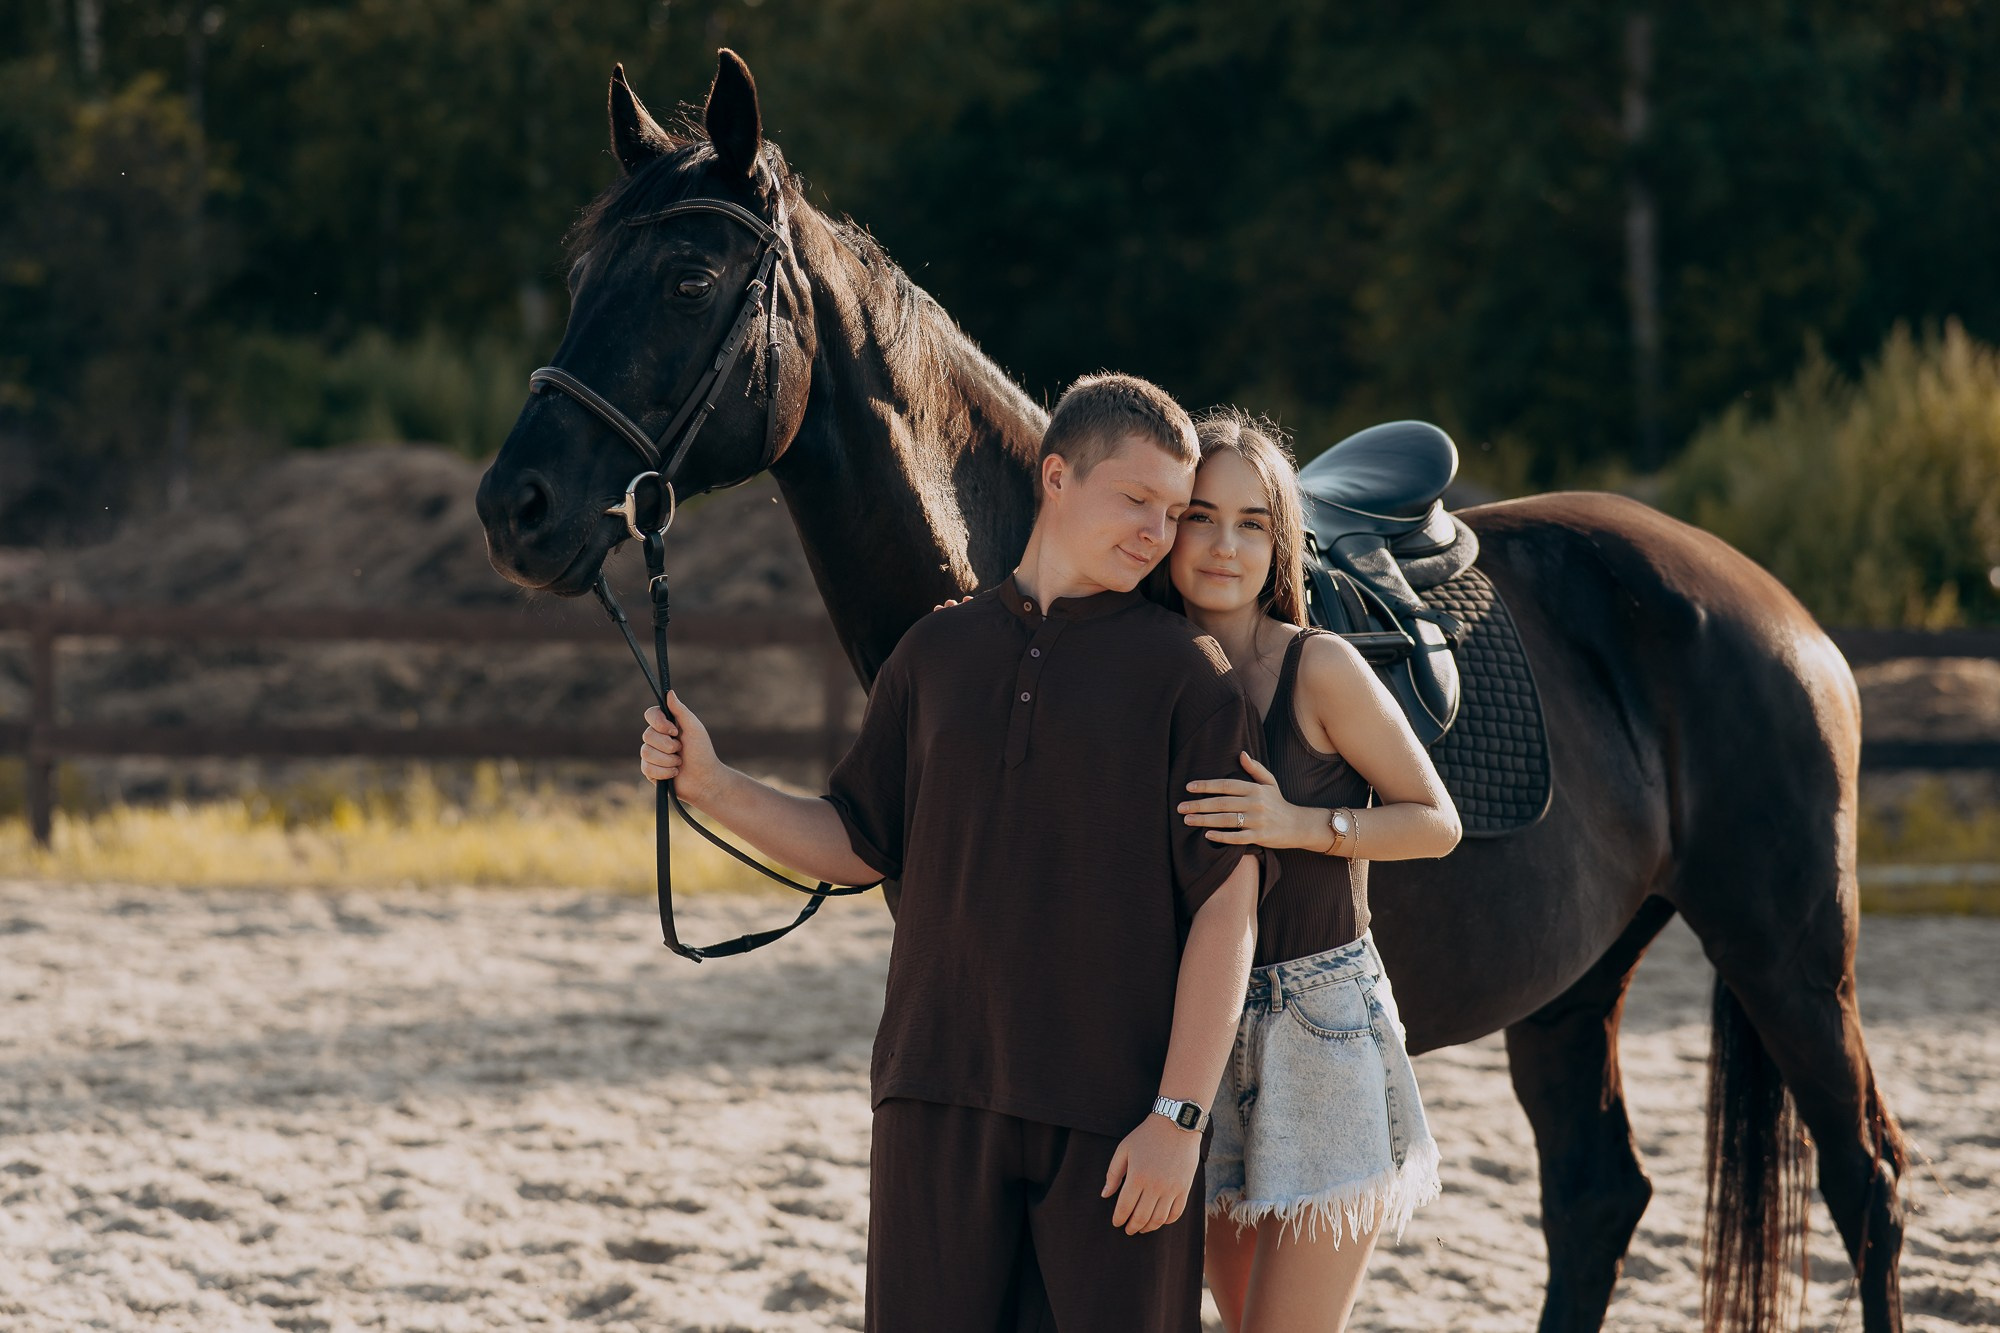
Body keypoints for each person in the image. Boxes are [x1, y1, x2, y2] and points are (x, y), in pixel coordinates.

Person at [638, 373, 1278, 1333]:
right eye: (1136, 499)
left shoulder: (1189, 677)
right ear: (1055, 477)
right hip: (932, 1096)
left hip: (1113, 1119)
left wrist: (1179, 1118)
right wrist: (715, 785)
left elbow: (1227, 908)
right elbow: (858, 843)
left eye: (1174, 511)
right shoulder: (934, 653)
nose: (1158, 531)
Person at [1156, 409, 1460, 1333]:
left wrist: (1298, 823)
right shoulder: (1145, 669)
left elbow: (1434, 822)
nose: (1224, 545)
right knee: (1240, 1315)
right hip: (1193, 1031)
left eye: (1253, 523)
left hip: (1318, 1027)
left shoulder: (1319, 667)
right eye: (1201, 516)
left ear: (1280, 541)